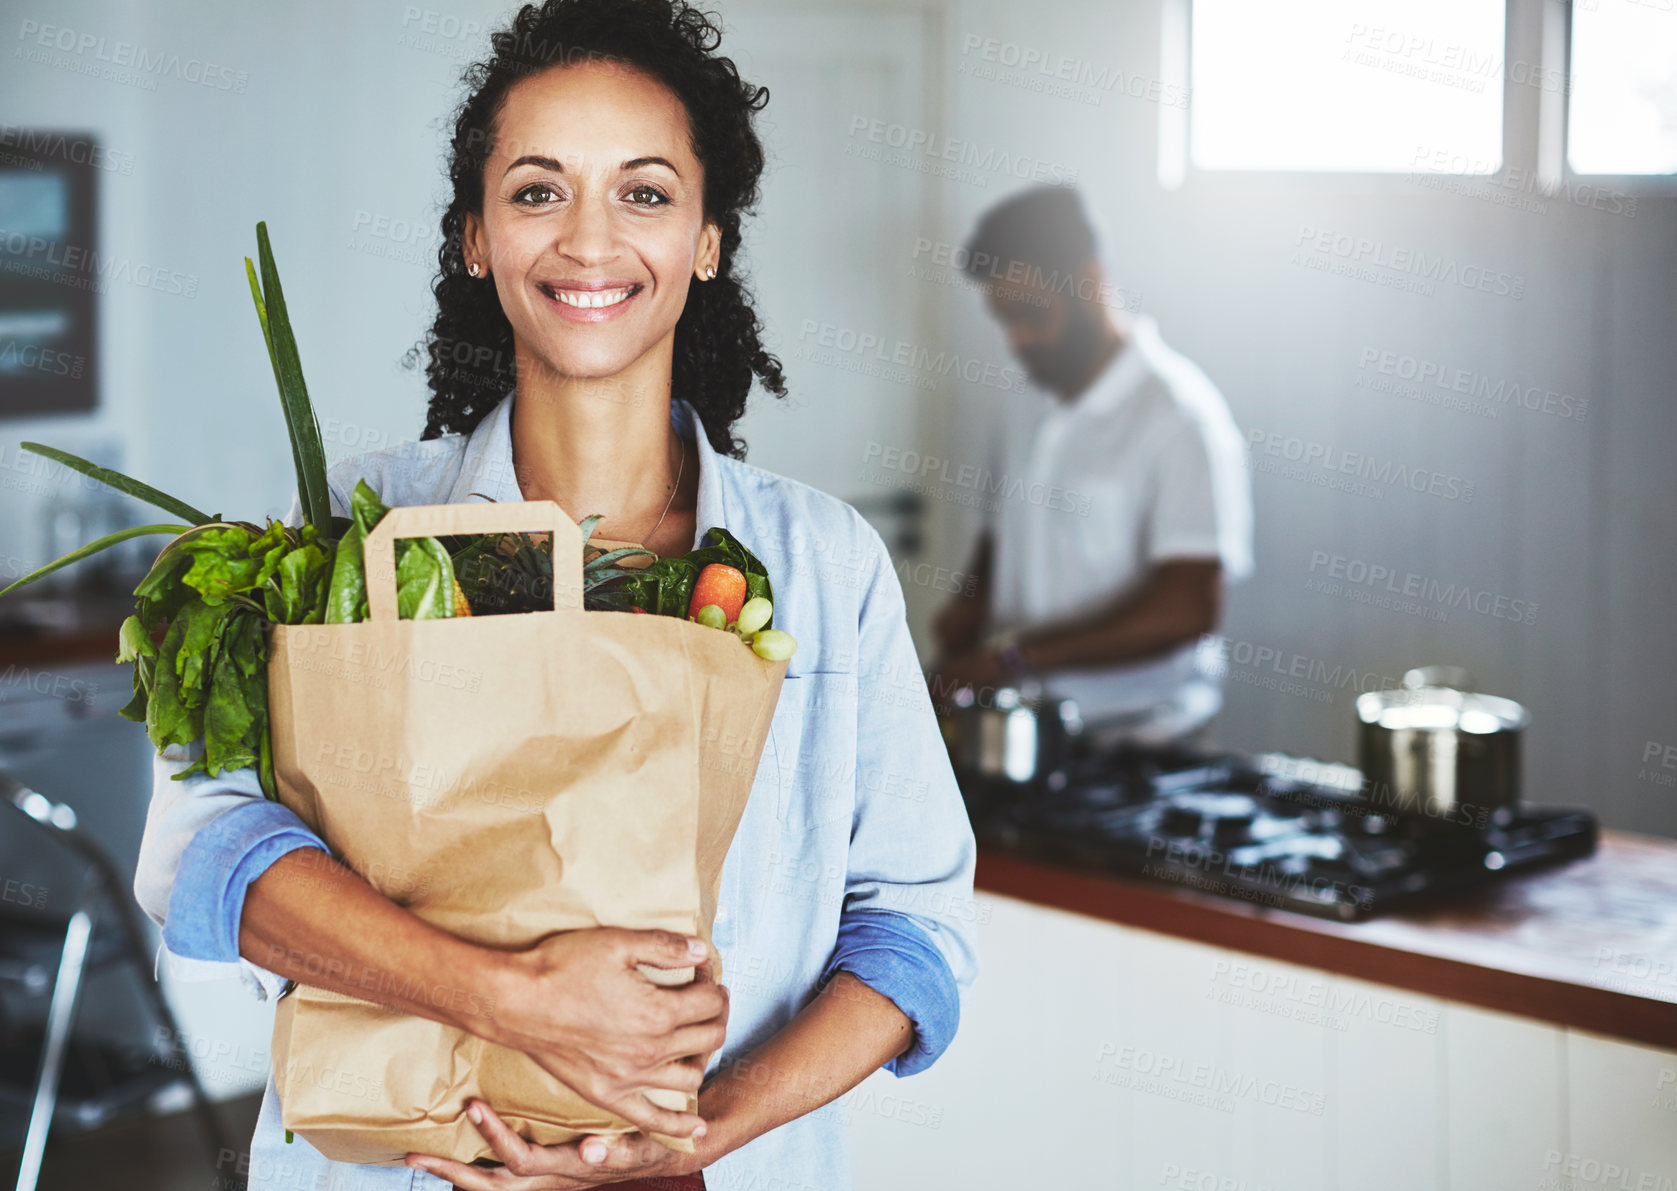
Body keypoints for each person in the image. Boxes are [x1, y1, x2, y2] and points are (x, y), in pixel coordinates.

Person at [132, 3, 977, 1188]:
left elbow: (916, 933)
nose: (590, 240)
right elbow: (206, 853)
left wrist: (699, 1126)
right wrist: (515, 999)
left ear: (708, 240)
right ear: (475, 237)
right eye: (537, 192)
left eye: (644, 193)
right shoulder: (352, 533)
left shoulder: (824, 567)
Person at [932, 186, 1252, 746]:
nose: (1019, 340)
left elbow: (1187, 605)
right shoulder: (1024, 405)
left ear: (1090, 282)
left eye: (1032, 315)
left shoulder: (1179, 419)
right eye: (1004, 319)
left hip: (1142, 744)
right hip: (1021, 731)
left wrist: (1015, 658)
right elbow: (999, 536)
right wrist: (967, 613)